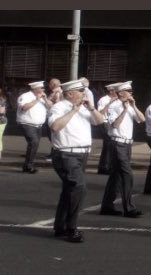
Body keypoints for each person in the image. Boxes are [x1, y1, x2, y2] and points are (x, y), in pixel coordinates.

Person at [48, 79, 106, 243]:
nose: (84, 93)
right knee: (79, 188)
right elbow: (55, 127)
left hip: (82, 154)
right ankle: (70, 228)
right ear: (70, 93)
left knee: (69, 190)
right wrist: (73, 111)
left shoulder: (85, 108)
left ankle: (60, 227)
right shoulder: (58, 107)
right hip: (66, 154)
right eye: (81, 91)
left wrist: (91, 108)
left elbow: (100, 121)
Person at [99, 81, 145, 218]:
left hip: (126, 144)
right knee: (127, 175)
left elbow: (141, 119)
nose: (131, 94)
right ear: (121, 93)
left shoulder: (130, 105)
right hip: (117, 143)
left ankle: (106, 206)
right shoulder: (114, 106)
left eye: (131, 91)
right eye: (128, 91)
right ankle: (129, 208)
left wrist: (133, 106)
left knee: (116, 176)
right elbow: (115, 124)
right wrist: (124, 110)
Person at [17, 81, 52, 173]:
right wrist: (36, 99)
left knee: (34, 145)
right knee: (34, 142)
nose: (43, 90)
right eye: (41, 88)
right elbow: (24, 107)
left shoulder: (42, 97)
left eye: (43, 88)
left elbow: (50, 107)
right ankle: (28, 166)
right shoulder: (25, 96)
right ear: (35, 89)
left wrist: (45, 99)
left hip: (38, 125)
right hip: (27, 123)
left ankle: (28, 165)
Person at [95, 82, 122, 175]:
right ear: (111, 91)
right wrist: (109, 103)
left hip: (112, 123)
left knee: (110, 146)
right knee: (108, 145)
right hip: (105, 122)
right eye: (116, 90)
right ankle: (105, 167)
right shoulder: (103, 100)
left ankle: (108, 166)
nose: (118, 92)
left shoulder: (119, 100)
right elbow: (100, 113)